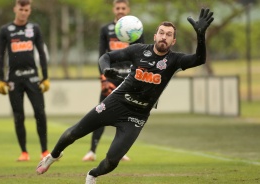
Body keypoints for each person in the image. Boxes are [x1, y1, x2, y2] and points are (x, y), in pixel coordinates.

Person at [36, 8, 214, 184]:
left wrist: (200, 35)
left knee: (112, 161)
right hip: (115, 103)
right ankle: (52, 157)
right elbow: (105, 56)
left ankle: (92, 175)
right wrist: (106, 70)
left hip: (137, 116)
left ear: (173, 41)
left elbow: (199, 59)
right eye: (161, 33)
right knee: (73, 133)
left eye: (168, 35)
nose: (163, 37)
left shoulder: (175, 60)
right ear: (155, 36)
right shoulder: (138, 50)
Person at [82, 0, 144, 162]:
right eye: (118, 8)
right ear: (113, 9)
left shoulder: (136, 29)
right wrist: (103, 79)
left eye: (123, 8)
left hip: (129, 79)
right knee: (101, 112)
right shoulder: (106, 29)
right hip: (110, 79)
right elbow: (101, 55)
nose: (120, 10)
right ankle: (92, 151)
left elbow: (142, 56)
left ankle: (120, 151)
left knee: (125, 117)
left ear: (128, 9)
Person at [0, 0, 50, 161]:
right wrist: (1, 79)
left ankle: (44, 151)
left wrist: (45, 77)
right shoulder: (6, 30)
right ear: (15, 9)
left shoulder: (34, 28)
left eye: (26, 10)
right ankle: (24, 152)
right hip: (14, 79)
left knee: (40, 113)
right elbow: (0, 56)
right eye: (21, 9)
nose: (23, 12)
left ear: (29, 11)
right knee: (18, 115)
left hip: (33, 77)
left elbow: (41, 53)